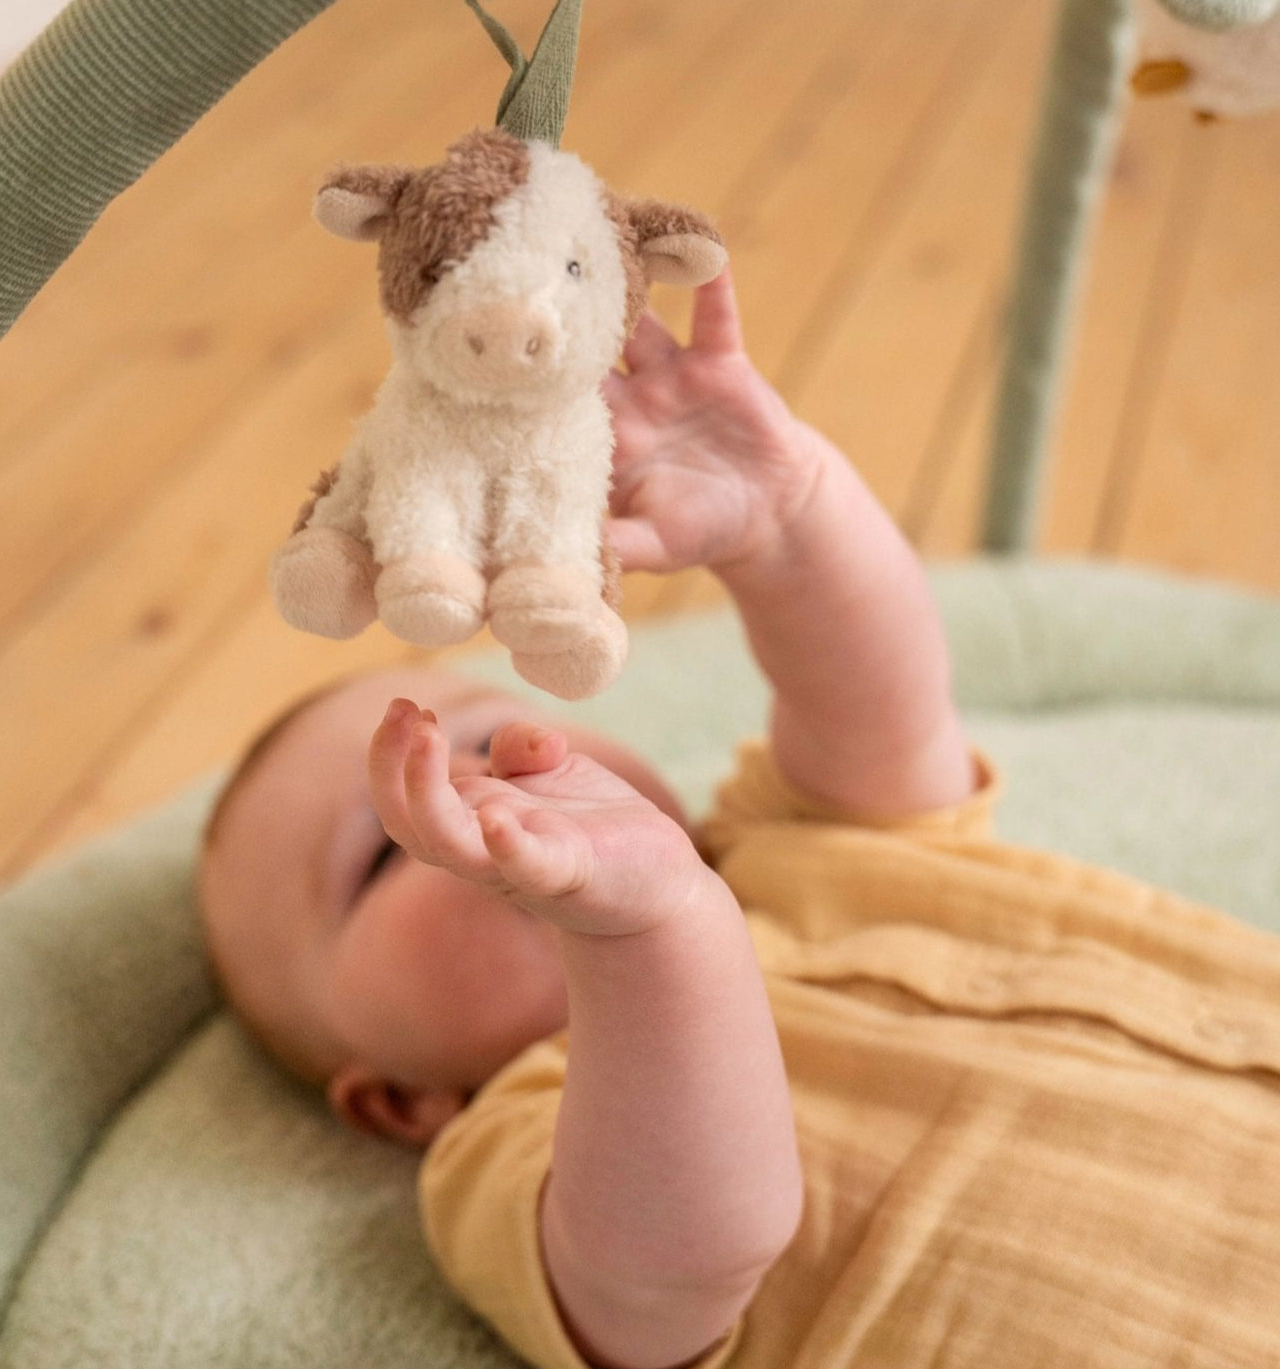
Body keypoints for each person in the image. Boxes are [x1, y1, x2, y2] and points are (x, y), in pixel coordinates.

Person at [199, 270, 1280, 1369]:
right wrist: (649, 927)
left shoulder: (798, 847)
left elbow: (884, 705)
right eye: (386, 848)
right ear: (399, 1101)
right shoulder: (516, 1149)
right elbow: (685, 1260)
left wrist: (789, 518)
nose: (477, 790)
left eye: (487, 735)